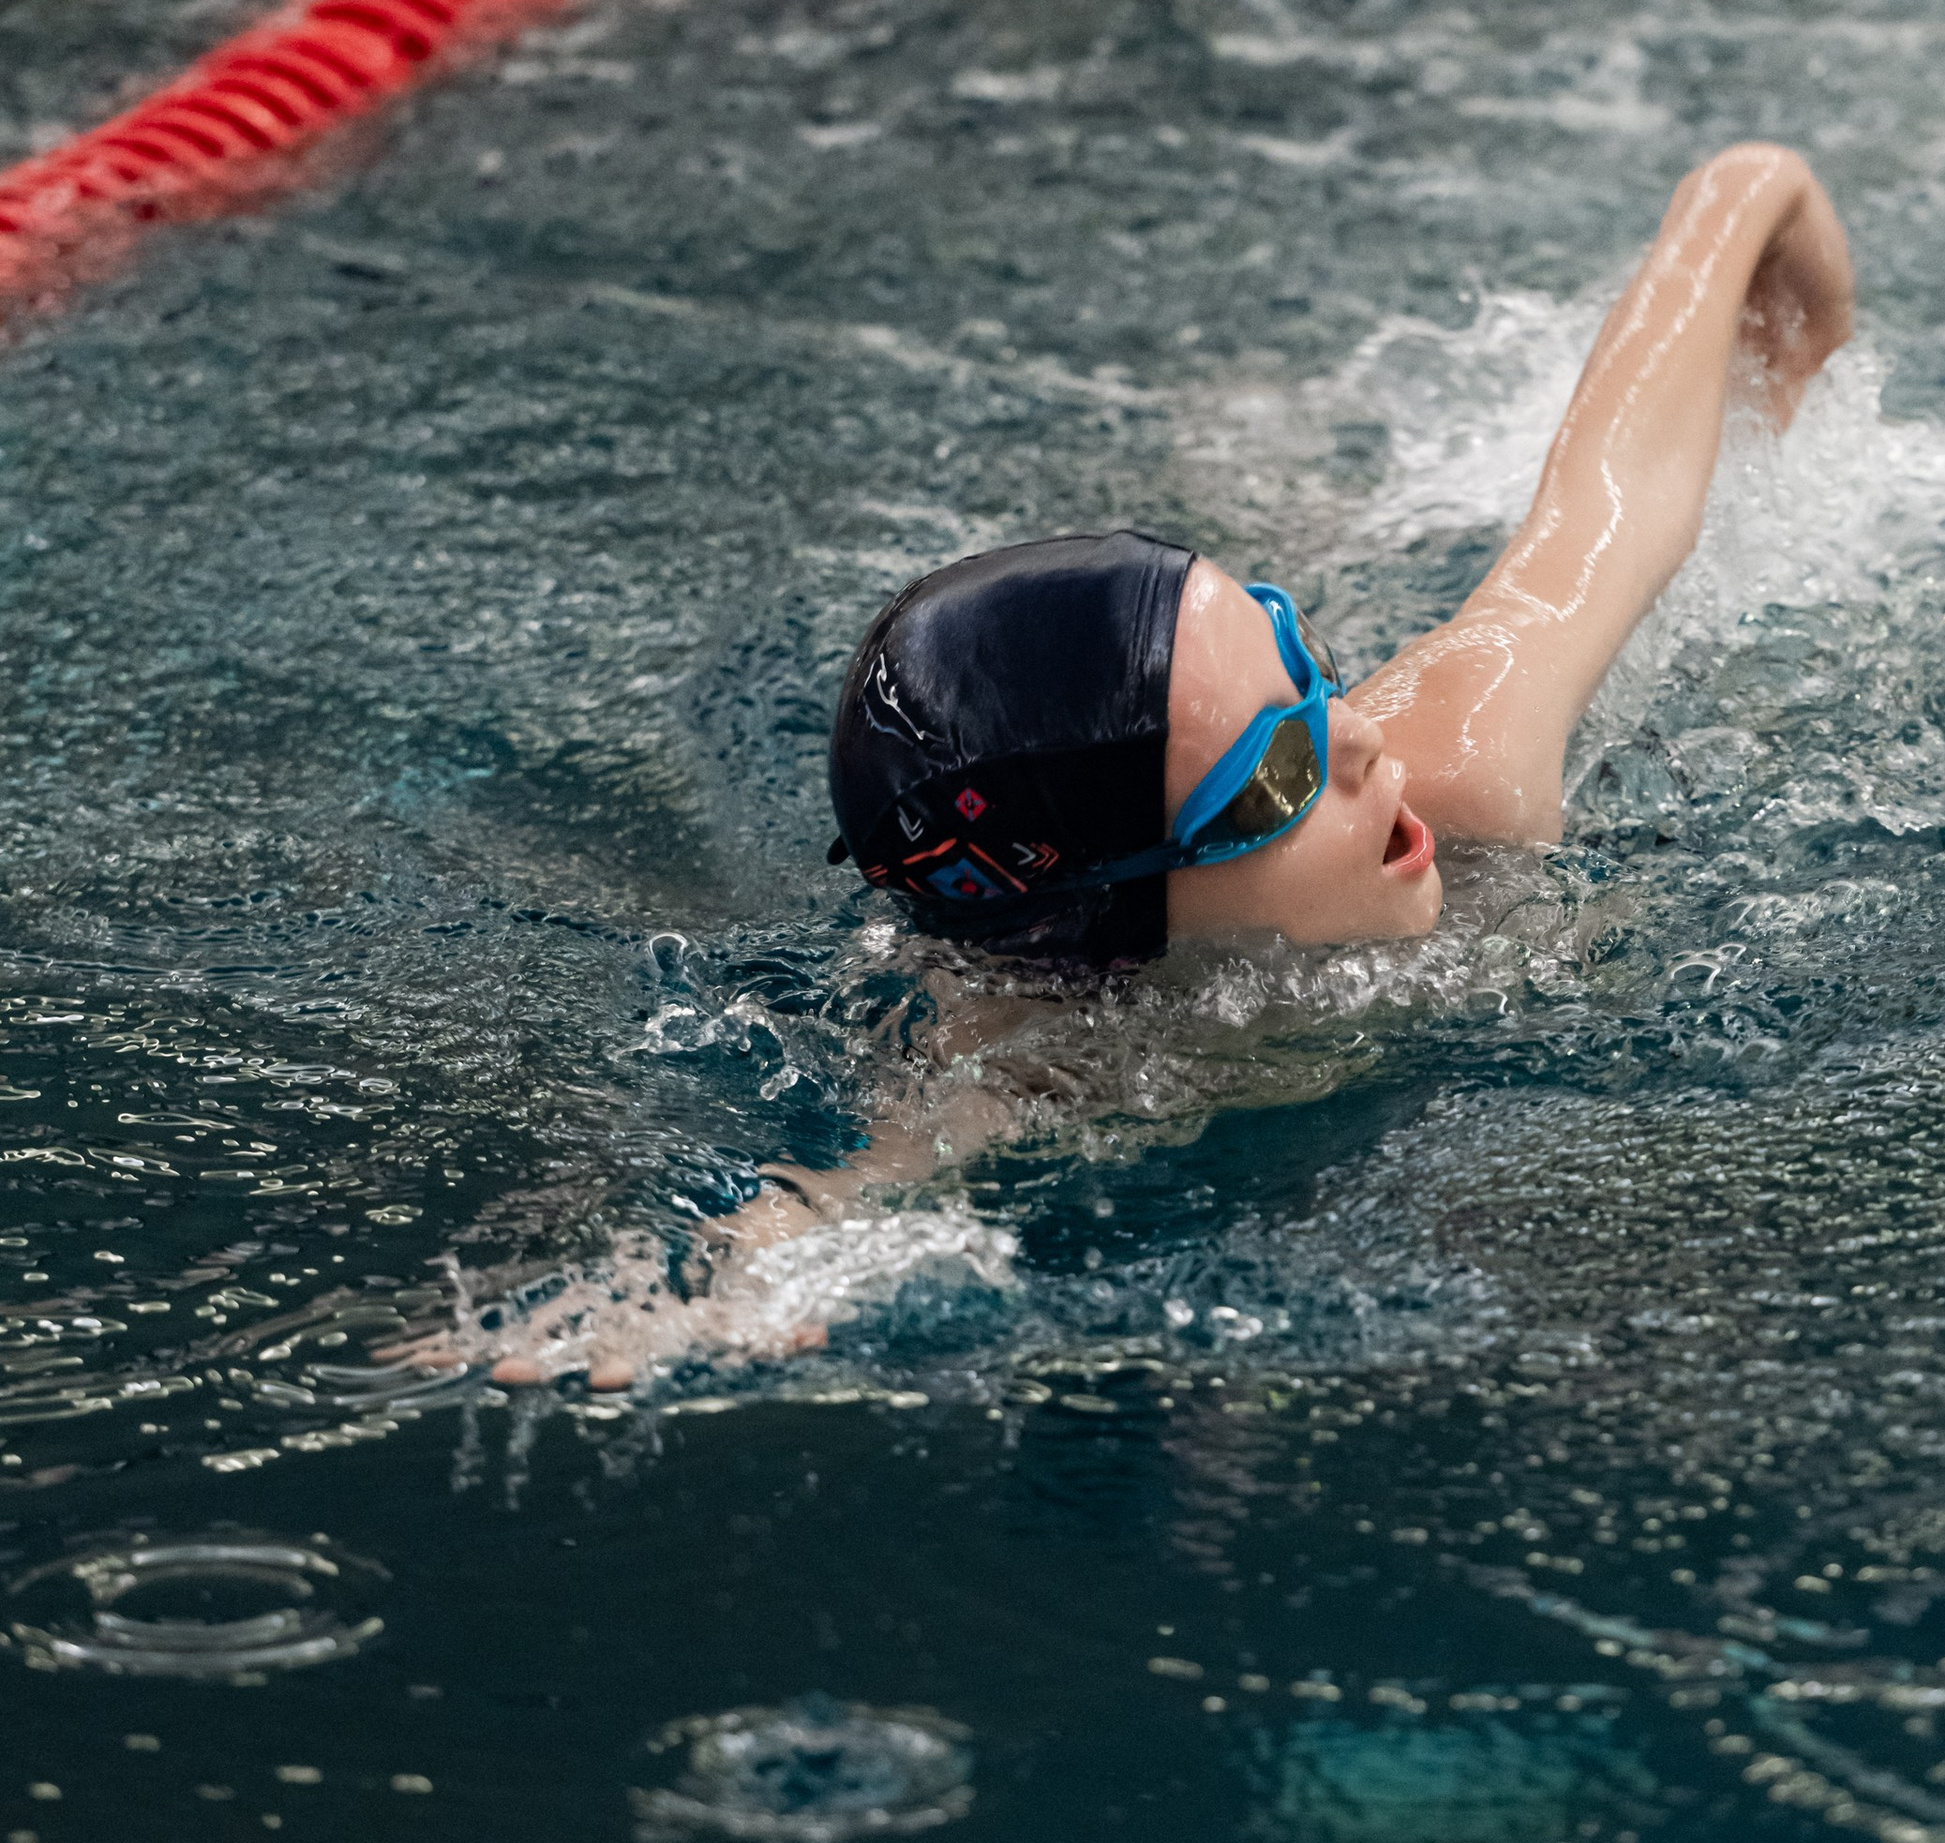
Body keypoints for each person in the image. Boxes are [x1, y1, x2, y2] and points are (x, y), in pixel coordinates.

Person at [447, 139, 1852, 1387]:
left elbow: (1608, 499)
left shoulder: (1459, 761)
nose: (1361, 740)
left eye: (1301, 663)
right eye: (1276, 772)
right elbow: (844, 1182)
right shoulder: (1058, 1048)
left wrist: (1739, 198)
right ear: (1113, 914)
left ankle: (1250, 455)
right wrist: (690, 1292)